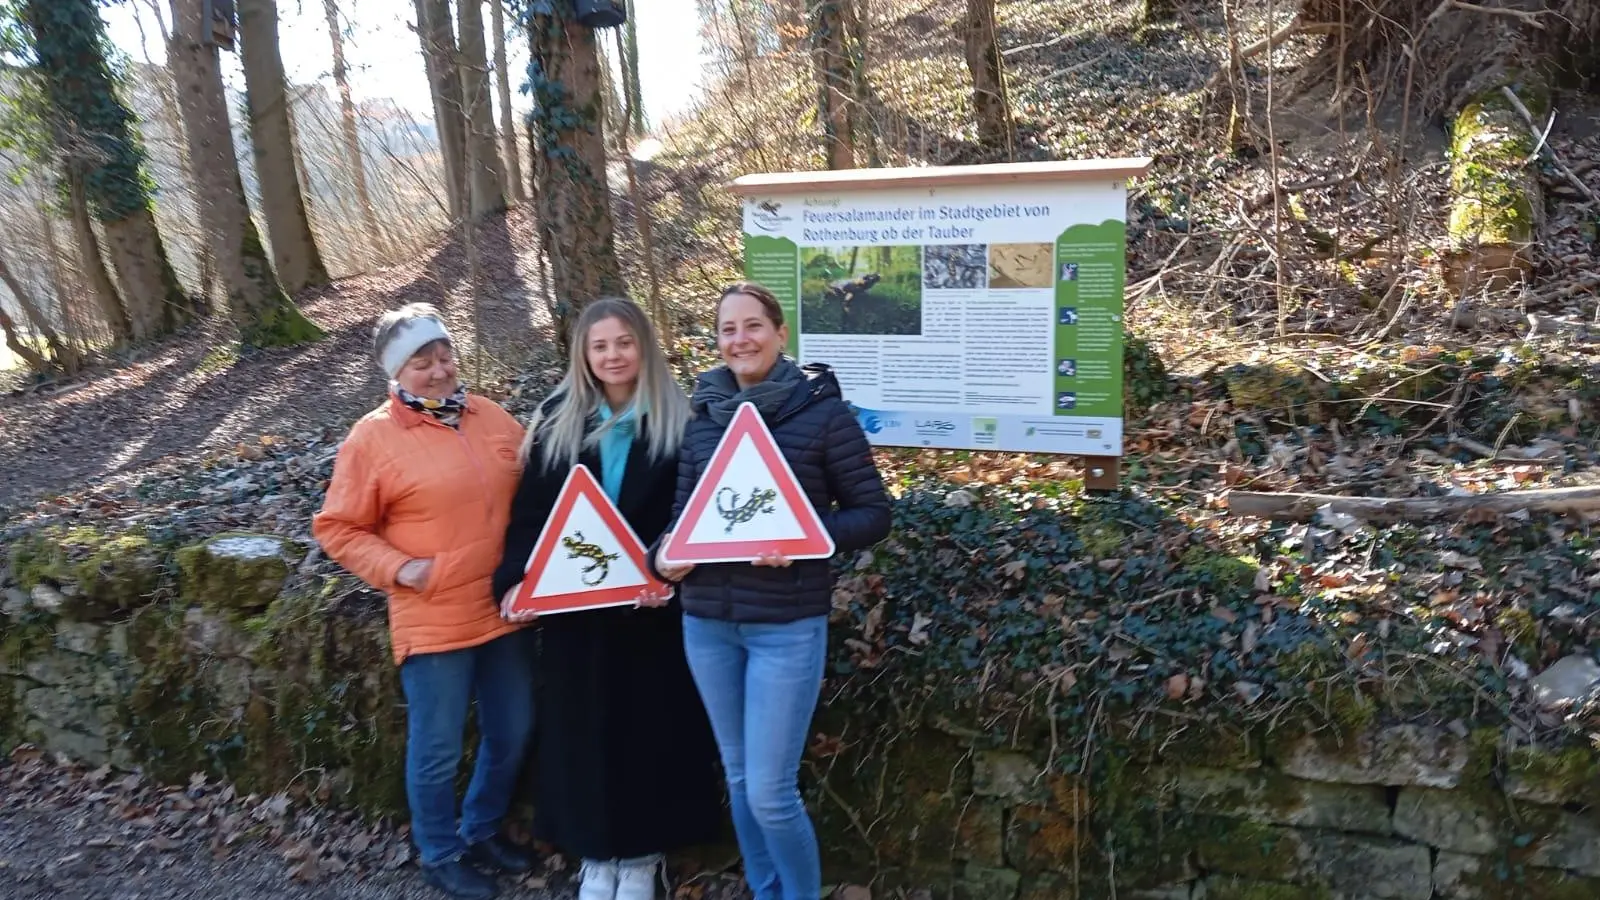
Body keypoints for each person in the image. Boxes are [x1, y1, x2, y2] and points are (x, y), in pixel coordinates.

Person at [652, 282, 892, 900]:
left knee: (770, 791)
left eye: (753, 326)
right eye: (728, 329)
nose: (741, 340)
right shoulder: (701, 416)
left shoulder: (823, 414)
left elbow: (872, 513)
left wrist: (806, 537)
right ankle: (765, 890)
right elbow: (683, 519)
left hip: (785, 626)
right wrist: (664, 557)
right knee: (737, 779)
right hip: (706, 622)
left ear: (781, 334)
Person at [492, 297, 722, 900]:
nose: (612, 355)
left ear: (644, 346)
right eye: (600, 346)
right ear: (583, 355)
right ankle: (595, 856)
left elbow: (693, 514)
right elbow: (531, 518)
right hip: (576, 613)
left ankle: (643, 857)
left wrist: (662, 571)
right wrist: (516, 581)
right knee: (581, 733)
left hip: (652, 612)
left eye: (623, 342)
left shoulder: (685, 420)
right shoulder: (556, 421)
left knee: (647, 732)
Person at [313, 303, 535, 900]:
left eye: (444, 356)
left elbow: (539, 481)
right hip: (433, 615)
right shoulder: (373, 438)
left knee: (513, 730)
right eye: (421, 361)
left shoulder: (489, 416)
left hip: (504, 608)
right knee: (436, 749)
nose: (438, 371)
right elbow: (337, 528)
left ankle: (483, 827)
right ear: (396, 371)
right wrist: (403, 569)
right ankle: (439, 851)